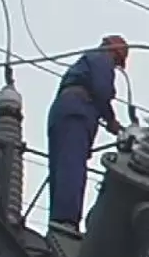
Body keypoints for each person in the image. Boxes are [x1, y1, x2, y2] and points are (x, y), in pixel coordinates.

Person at [47, 35, 127, 234]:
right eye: (117, 61)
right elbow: (102, 89)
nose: (115, 66)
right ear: (114, 52)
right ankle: (66, 222)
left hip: (63, 111)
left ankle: (58, 220)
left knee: (61, 166)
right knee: (72, 165)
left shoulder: (87, 61)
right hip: (77, 112)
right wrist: (111, 120)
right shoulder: (102, 58)